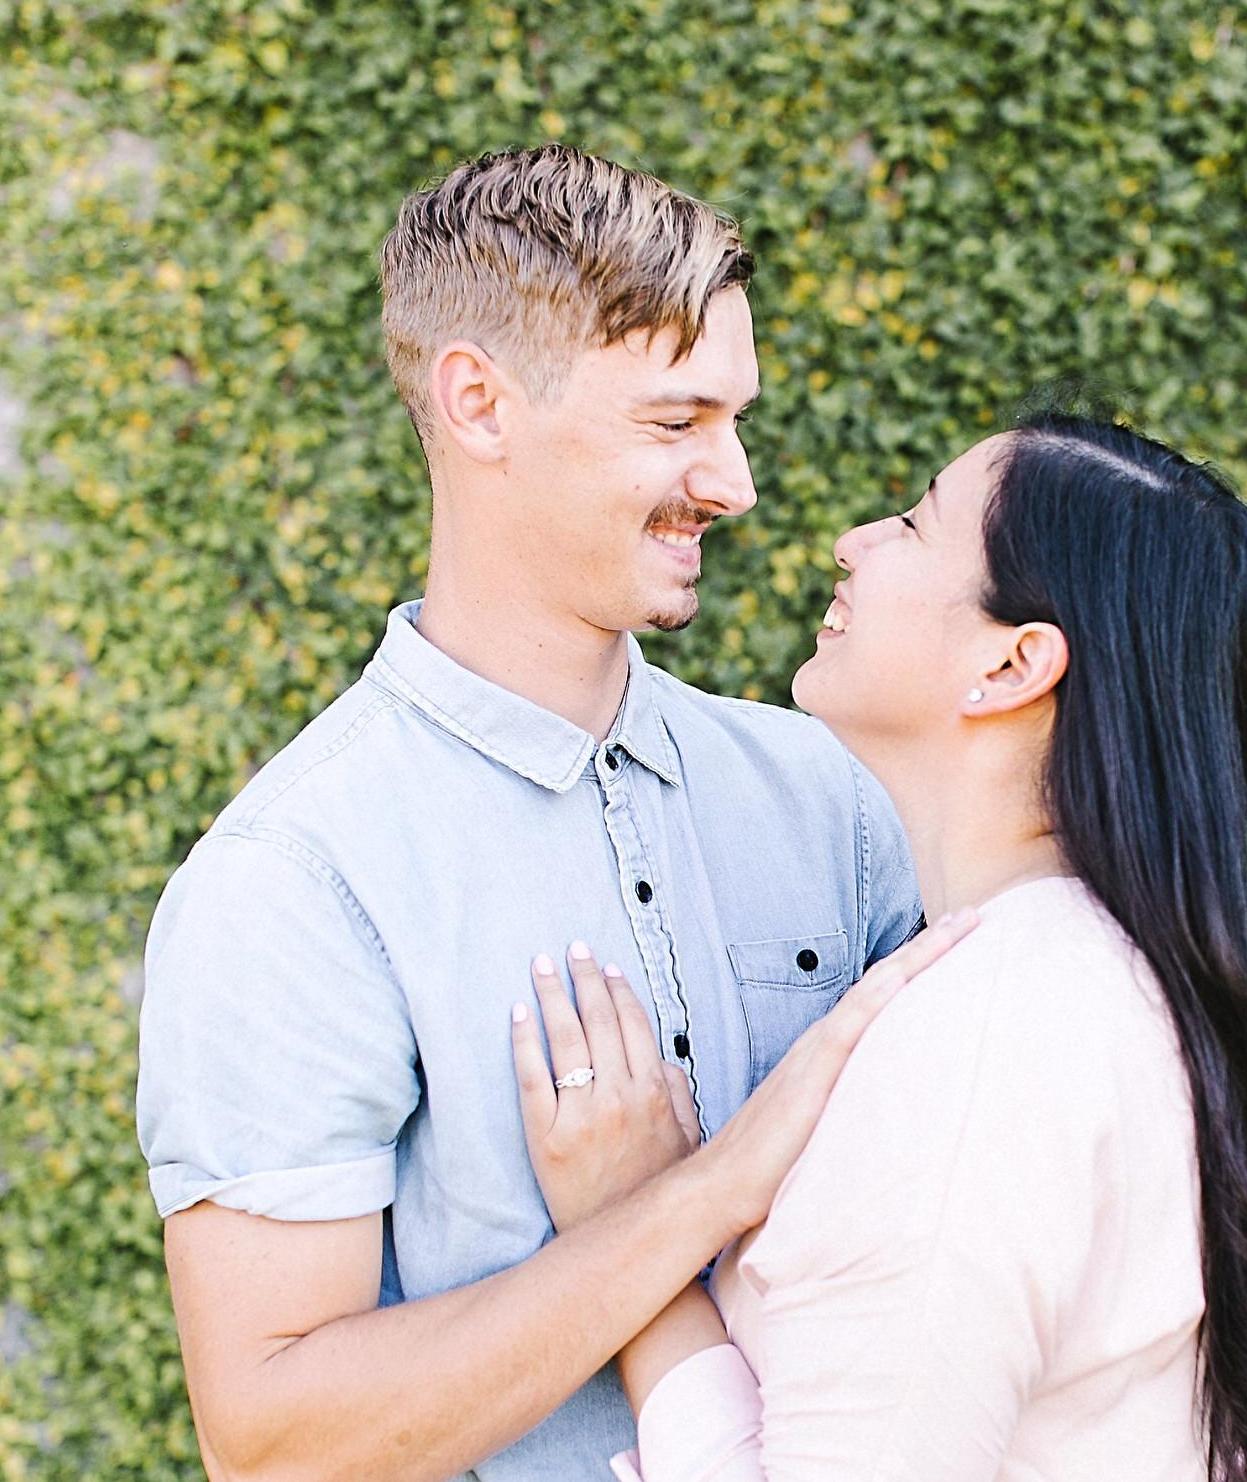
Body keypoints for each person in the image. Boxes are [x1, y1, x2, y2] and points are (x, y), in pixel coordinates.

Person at [134, 143, 933, 1480]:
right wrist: (694, 1196)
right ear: (479, 404)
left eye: (732, 419)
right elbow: (274, 1440)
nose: (734, 482)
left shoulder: (831, 796)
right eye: (675, 424)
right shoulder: (292, 881)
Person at [516, 412, 1247, 1480]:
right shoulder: (1102, 981)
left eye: (915, 525)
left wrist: (630, 1236)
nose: (855, 540)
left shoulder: (988, 1040)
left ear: (1013, 665)